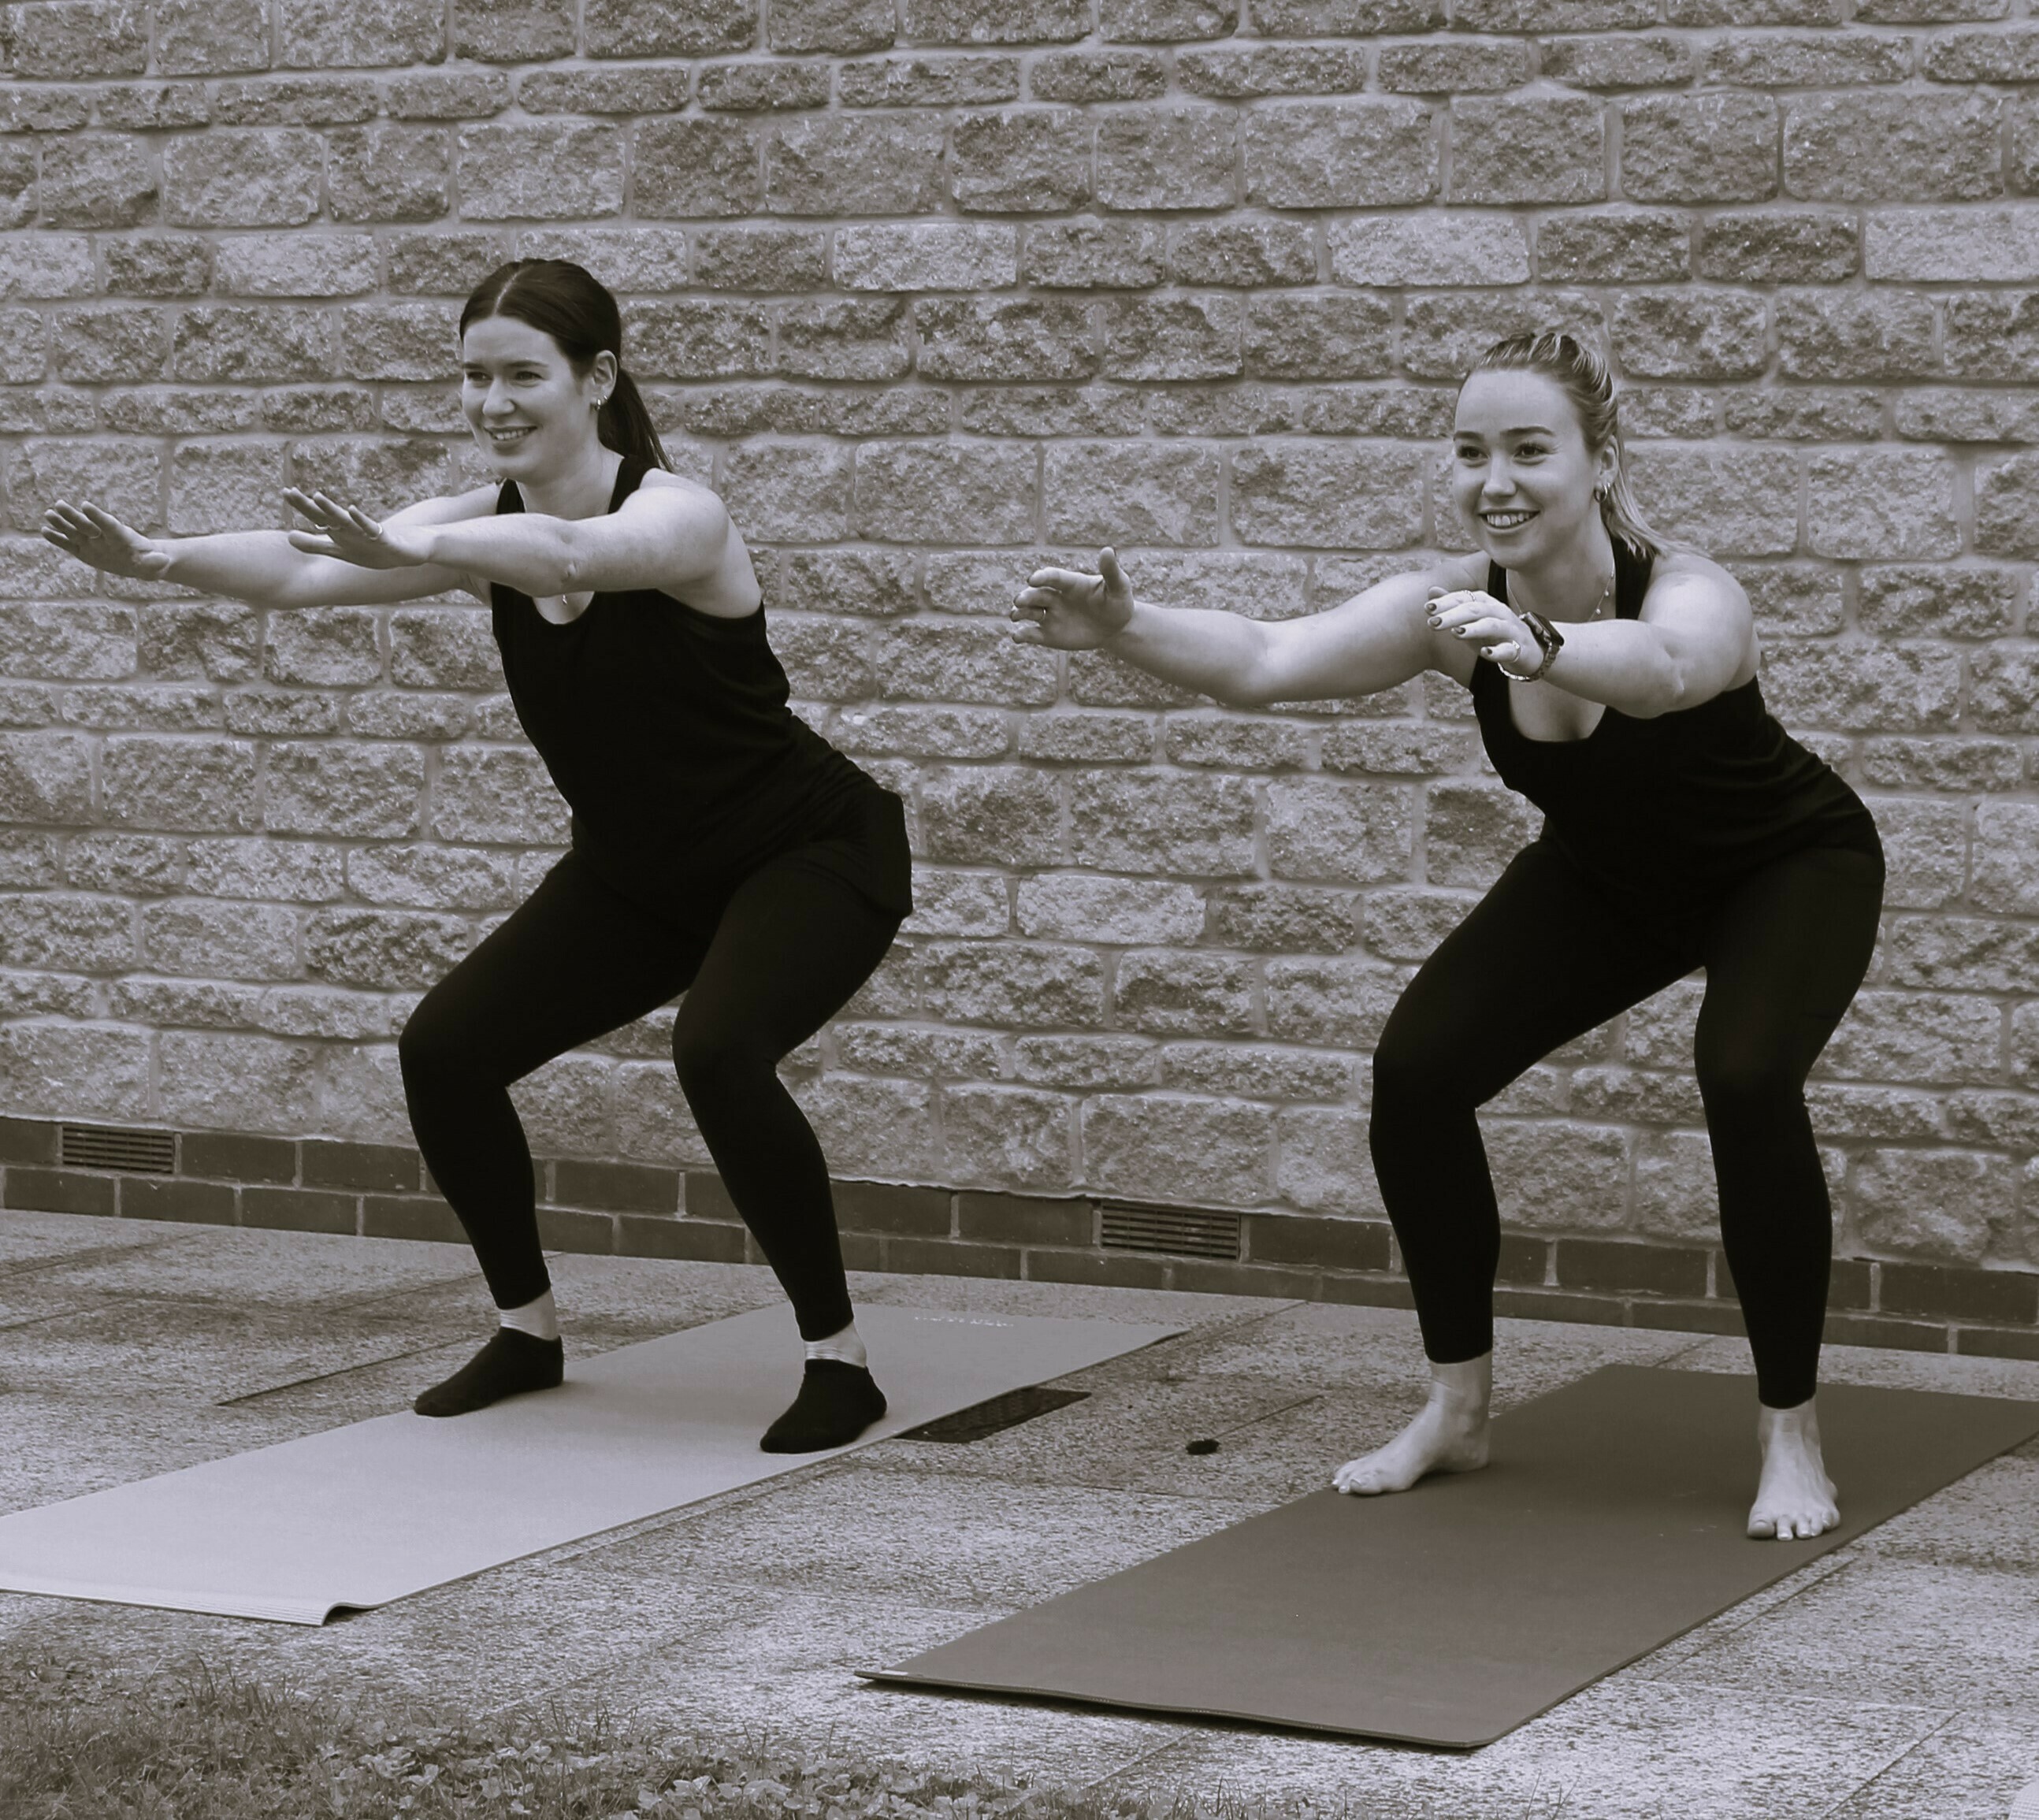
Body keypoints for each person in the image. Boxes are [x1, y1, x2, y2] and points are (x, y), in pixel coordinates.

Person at [1012, 329, 1883, 1542]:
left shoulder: (1689, 589)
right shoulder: (1452, 607)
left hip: (1786, 867)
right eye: (1473, 452)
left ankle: (1790, 1430)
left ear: (1600, 461)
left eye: (1530, 450)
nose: (1496, 480)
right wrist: (1125, 624)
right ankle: (1458, 1409)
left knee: (1743, 1074)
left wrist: (1553, 646)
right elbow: (1268, 657)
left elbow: (1671, 666)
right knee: (1416, 1073)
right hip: (1610, 881)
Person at [41, 258, 912, 1453]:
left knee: (718, 1050)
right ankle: (527, 1332)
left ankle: (838, 1361)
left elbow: (570, 558)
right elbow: (305, 569)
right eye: (473, 376)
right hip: (639, 874)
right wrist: (161, 558)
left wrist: (428, 542)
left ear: (596, 379)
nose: (492, 401)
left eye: (522, 376)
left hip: (806, 848)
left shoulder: (680, 514)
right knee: (445, 1051)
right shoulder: (479, 524)